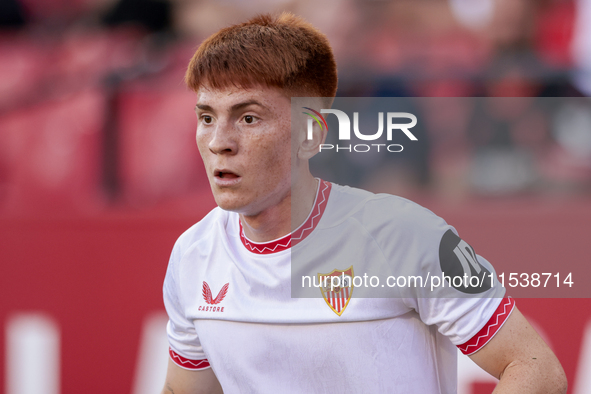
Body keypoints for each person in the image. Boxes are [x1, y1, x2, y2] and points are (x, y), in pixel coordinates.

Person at [161, 12, 567, 394]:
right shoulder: (192, 254)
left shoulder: (404, 235)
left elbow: (536, 370)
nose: (219, 142)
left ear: (311, 135)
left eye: (248, 118)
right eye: (207, 117)